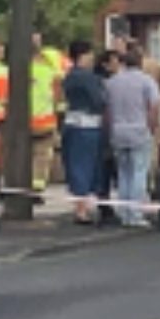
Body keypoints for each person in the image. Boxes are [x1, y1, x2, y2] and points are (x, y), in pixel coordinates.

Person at [106, 47, 160, 228]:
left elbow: (107, 110)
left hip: (118, 131)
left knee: (123, 173)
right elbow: (154, 107)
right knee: (139, 172)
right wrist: (151, 128)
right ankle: (136, 214)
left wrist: (109, 129)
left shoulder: (112, 83)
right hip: (139, 130)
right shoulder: (147, 82)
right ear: (140, 62)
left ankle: (124, 212)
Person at [61, 42, 106, 226]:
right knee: (86, 165)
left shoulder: (68, 77)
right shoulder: (89, 78)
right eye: (90, 55)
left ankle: (79, 206)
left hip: (71, 123)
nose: (92, 59)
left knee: (74, 164)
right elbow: (98, 101)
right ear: (82, 56)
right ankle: (82, 210)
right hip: (88, 125)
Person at [29, 36, 63, 195]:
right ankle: (37, 187)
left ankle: (22, 186)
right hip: (45, 121)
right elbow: (57, 95)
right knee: (42, 156)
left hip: (22, 122)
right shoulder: (49, 71)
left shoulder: (15, 70)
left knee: (23, 155)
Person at [95, 49, 122, 219]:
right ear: (105, 65)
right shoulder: (105, 83)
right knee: (108, 167)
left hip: (111, 128)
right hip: (106, 129)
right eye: (114, 62)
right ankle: (105, 205)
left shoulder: (111, 82)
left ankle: (107, 204)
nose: (117, 65)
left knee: (110, 167)